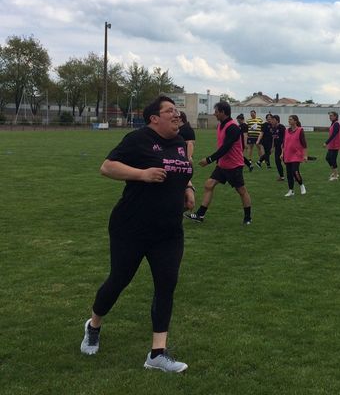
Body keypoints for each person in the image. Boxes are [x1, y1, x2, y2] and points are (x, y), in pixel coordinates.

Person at [80, 96, 194, 373]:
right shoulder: (137, 139)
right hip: (131, 228)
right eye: (170, 111)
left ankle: (157, 354)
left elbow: (182, 171)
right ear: (154, 118)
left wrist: (188, 188)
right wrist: (141, 174)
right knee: (118, 281)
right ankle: (94, 324)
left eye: (177, 111)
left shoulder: (179, 144)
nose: (177, 115)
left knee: (166, 286)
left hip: (168, 231)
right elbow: (107, 167)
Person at [185, 101, 252, 224]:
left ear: (222, 112)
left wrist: (209, 159)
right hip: (222, 165)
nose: (214, 114)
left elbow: (225, 147)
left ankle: (248, 217)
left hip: (234, 165)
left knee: (241, 191)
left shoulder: (233, 127)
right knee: (209, 185)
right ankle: (200, 215)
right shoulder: (221, 125)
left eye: (216, 112)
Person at [281, 114, 307, 196]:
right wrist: (282, 153)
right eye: (289, 119)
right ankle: (291, 190)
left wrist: (305, 155)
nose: (289, 121)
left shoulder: (300, 130)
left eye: (291, 119)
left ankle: (301, 185)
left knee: (295, 171)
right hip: (287, 155)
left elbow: (304, 144)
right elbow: (284, 143)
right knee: (289, 174)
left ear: (295, 121)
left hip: (296, 155)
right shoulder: (286, 131)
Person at [323, 111, 340, 181]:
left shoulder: (336, 124)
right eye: (329, 115)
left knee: (333, 159)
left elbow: (334, 135)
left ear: (335, 116)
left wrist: (326, 142)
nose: (330, 117)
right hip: (332, 145)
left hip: (335, 145)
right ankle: (334, 172)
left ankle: (336, 175)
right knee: (328, 158)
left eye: (331, 115)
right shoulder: (333, 123)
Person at [271, 115, 286, 181]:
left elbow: (285, 138)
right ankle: (281, 176)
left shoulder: (282, 127)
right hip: (277, 148)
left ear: (277, 120)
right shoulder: (273, 128)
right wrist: (272, 147)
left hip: (283, 148)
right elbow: (274, 138)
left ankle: (294, 175)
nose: (272, 121)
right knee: (277, 161)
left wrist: (283, 147)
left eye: (273, 120)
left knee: (287, 162)